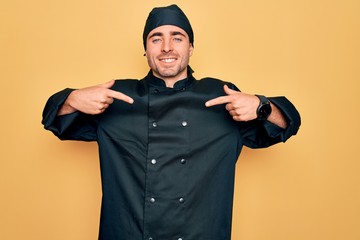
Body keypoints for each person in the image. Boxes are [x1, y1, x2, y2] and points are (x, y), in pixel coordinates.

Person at [42, 4, 301, 240]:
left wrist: (261, 106)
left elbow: (285, 125)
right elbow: (54, 120)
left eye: (177, 37)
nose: (167, 47)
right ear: (146, 49)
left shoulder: (221, 96)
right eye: (157, 38)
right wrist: (73, 99)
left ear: (190, 48)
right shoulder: (117, 97)